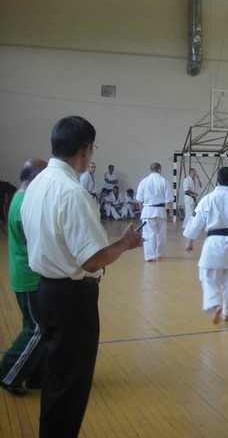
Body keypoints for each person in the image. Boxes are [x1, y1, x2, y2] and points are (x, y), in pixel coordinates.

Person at [20, 115, 143, 437]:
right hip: (71, 298)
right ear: (86, 149)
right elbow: (92, 260)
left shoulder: (37, 184)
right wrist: (125, 243)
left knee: (56, 377)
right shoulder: (72, 193)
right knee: (70, 385)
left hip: (47, 290)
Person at [0, 159, 47, 396]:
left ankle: (34, 376)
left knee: (41, 328)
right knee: (36, 328)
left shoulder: (20, 199)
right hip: (28, 277)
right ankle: (8, 373)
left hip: (30, 275)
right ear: (36, 178)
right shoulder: (24, 204)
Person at [184, 167, 228, 324]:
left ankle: (214, 304)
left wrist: (190, 240)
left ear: (217, 180)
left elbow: (196, 221)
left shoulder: (208, 199)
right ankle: (227, 313)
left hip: (213, 242)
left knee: (207, 275)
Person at [136, 162, 174, 262]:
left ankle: (150, 256)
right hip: (161, 211)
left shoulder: (144, 181)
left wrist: (142, 211)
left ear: (151, 169)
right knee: (161, 234)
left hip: (147, 210)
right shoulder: (164, 181)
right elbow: (169, 200)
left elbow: (139, 200)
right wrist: (171, 213)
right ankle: (160, 254)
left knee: (148, 234)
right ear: (160, 169)